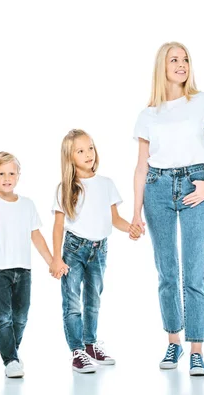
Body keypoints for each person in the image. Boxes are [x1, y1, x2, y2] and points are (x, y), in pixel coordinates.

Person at [131, 42, 204, 376]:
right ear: (163, 66)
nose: (182, 64)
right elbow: (141, 167)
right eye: (174, 60)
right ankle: (174, 341)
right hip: (157, 189)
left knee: (194, 270)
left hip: (194, 186)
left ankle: (196, 349)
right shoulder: (148, 115)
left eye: (185, 59)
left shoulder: (203, 101)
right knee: (167, 271)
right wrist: (135, 213)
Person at [50, 129, 142, 373]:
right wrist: (56, 257)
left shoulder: (106, 184)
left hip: (99, 250)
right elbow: (58, 226)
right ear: (70, 157)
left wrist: (130, 228)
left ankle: (90, 344)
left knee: (93, 299)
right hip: (74, 249)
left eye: (90, 147)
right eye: (80, 151)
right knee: (72, 301)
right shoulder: (66, 188)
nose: (88, 154)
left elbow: (114, 219)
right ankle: (77, 350)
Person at [0, 151, 55, 378]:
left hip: (23, 270)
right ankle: (10, 359)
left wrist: (51, 261)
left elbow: (36, 236)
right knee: (3, 318)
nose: (6, 178)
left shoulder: (27, 205)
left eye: (11, 173)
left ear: (18, 175)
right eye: (0, 173)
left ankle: (12, 351)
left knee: (21, 316)